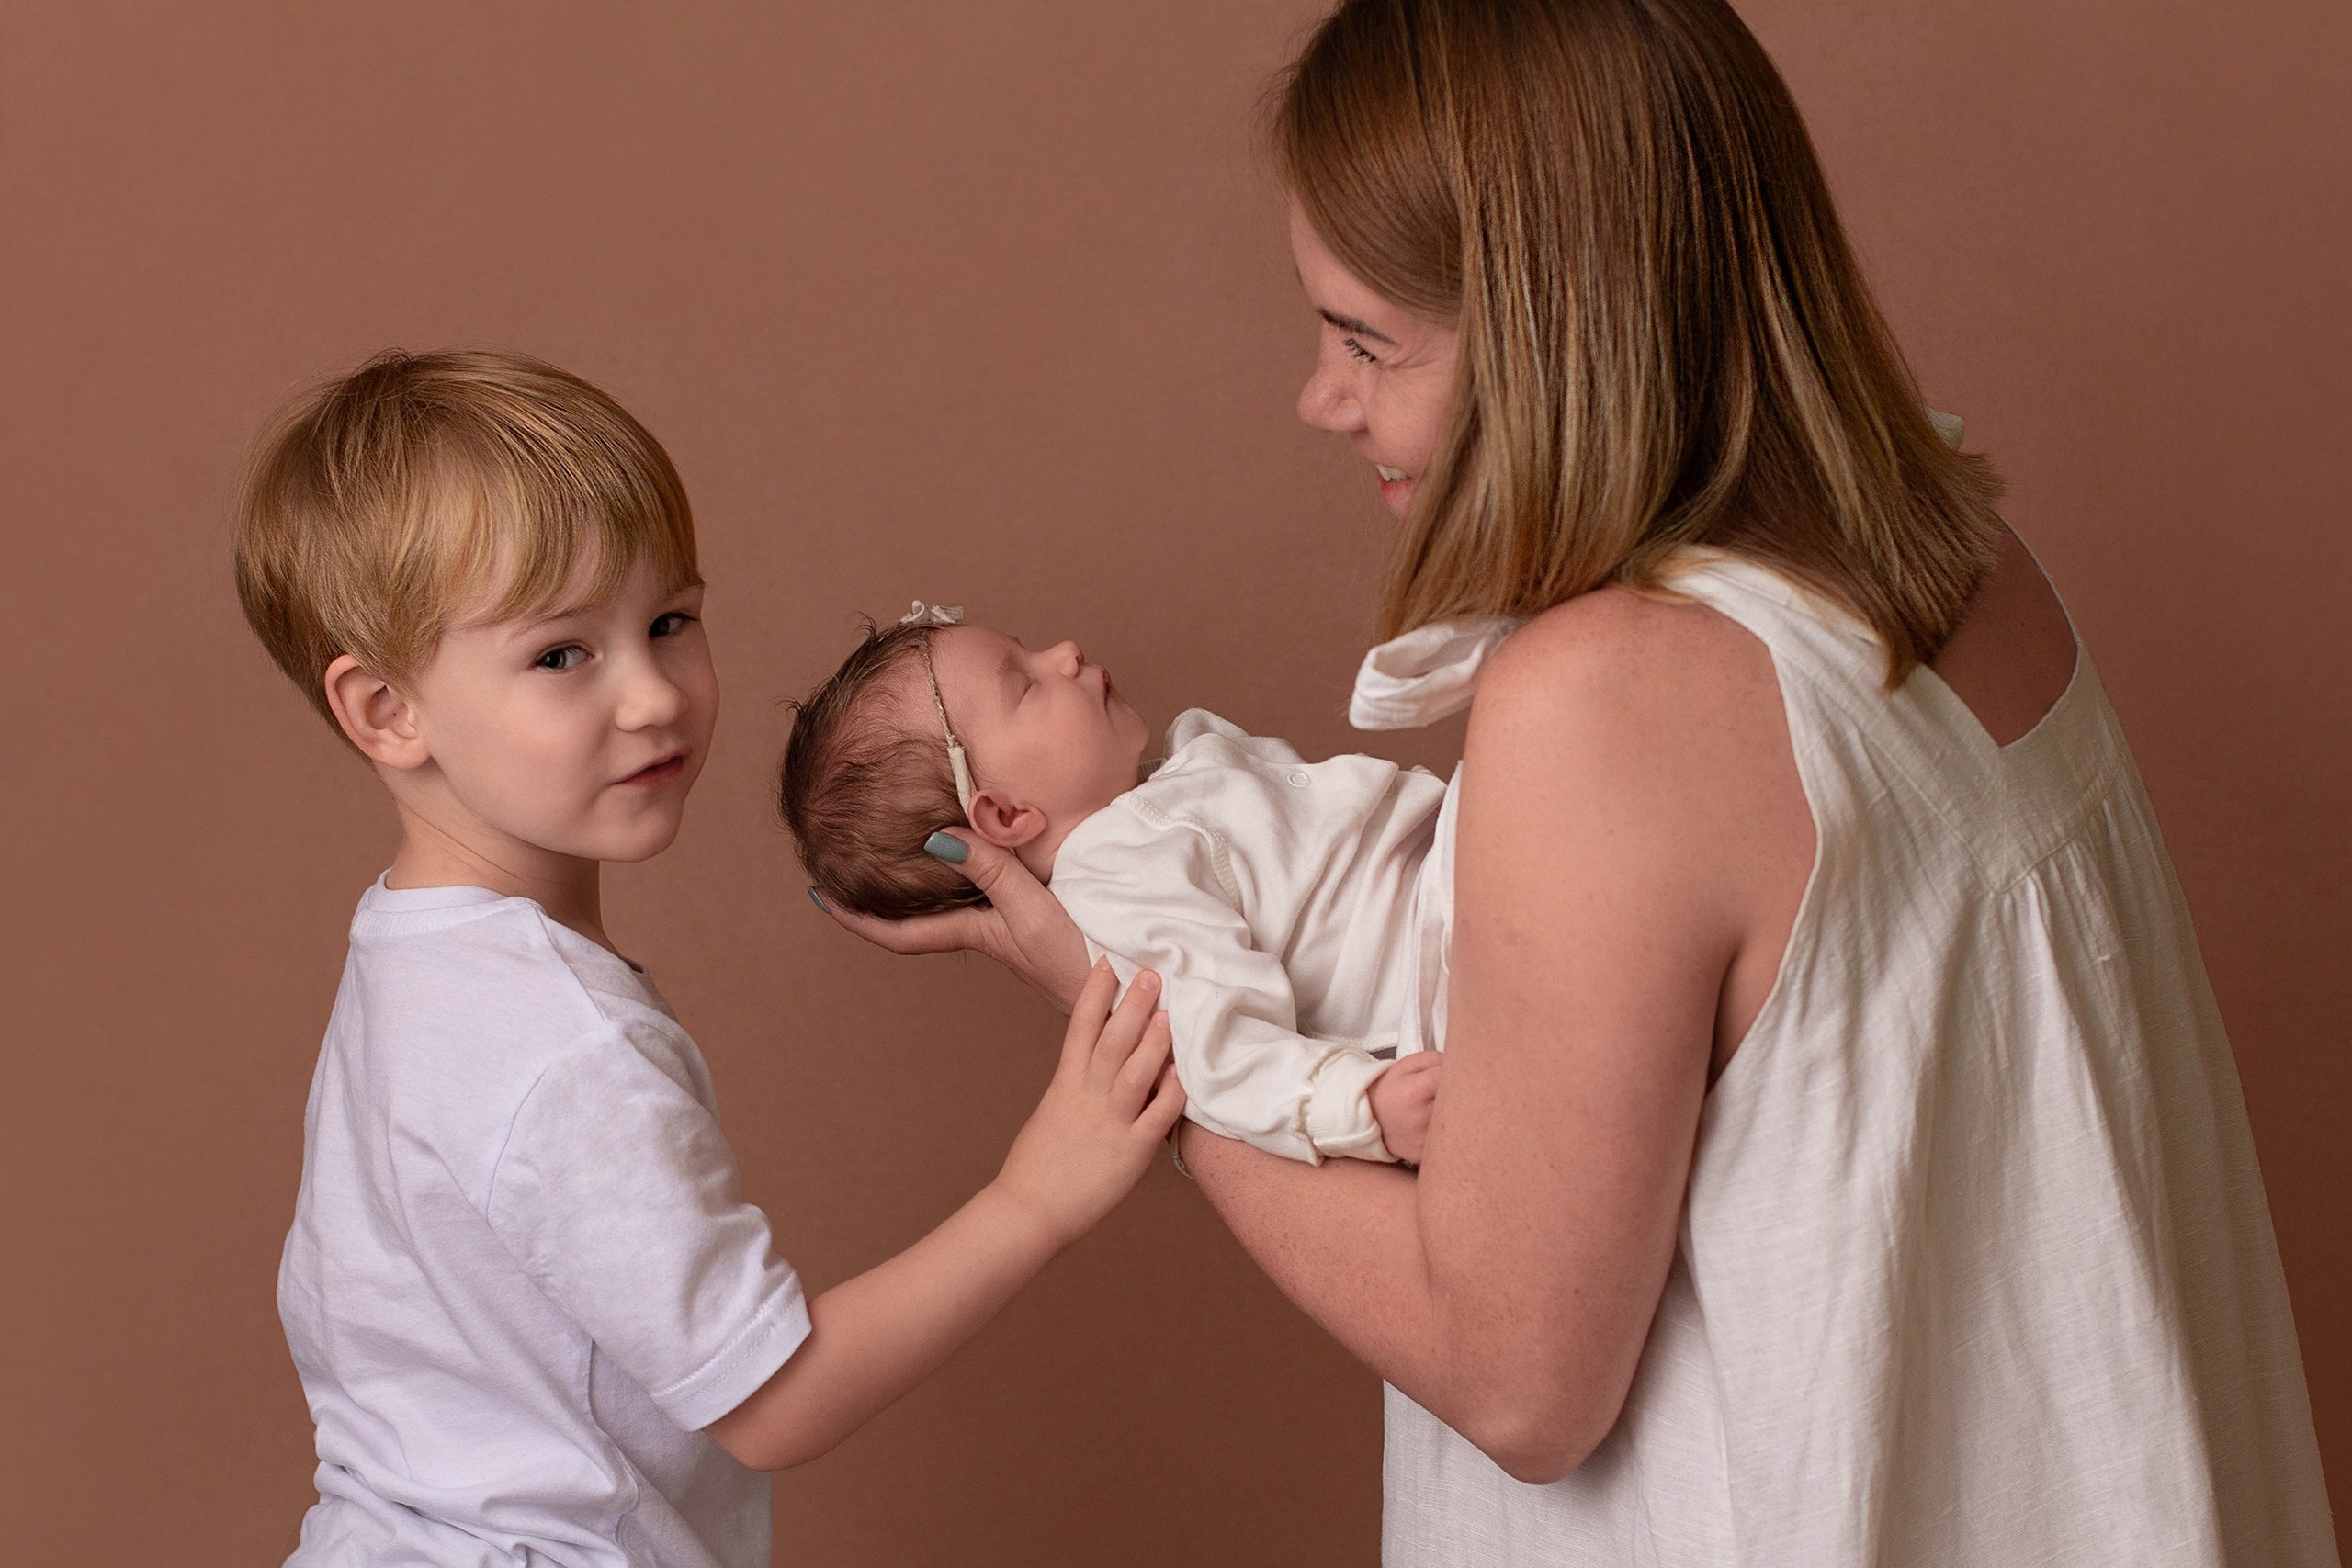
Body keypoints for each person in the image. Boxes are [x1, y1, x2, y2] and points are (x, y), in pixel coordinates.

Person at [817, 1, 2340, 1562]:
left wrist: (1133, 1033)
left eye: (1364, 340)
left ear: (1551, 328)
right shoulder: (1970, 559)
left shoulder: (1609, 699)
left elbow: (1518, 1378)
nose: (1321, 398)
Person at [235, 349, 1183, 1567]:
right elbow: (772, 1402)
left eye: (669, 622)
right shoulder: (561, 1046)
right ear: (386, 710)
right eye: (562, 654)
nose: (653, 696)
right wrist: (1038, 1193)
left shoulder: (411, 954)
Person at [782, 604, 1518, 1166]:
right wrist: (1358, 1105)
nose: (1065, 652)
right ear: (1004, 814)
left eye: (1031, 648)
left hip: (1459, 873)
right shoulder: (1117, 877)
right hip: (1439, 961)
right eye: (1026, 682)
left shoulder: (1161, 794)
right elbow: (1216, 1045)